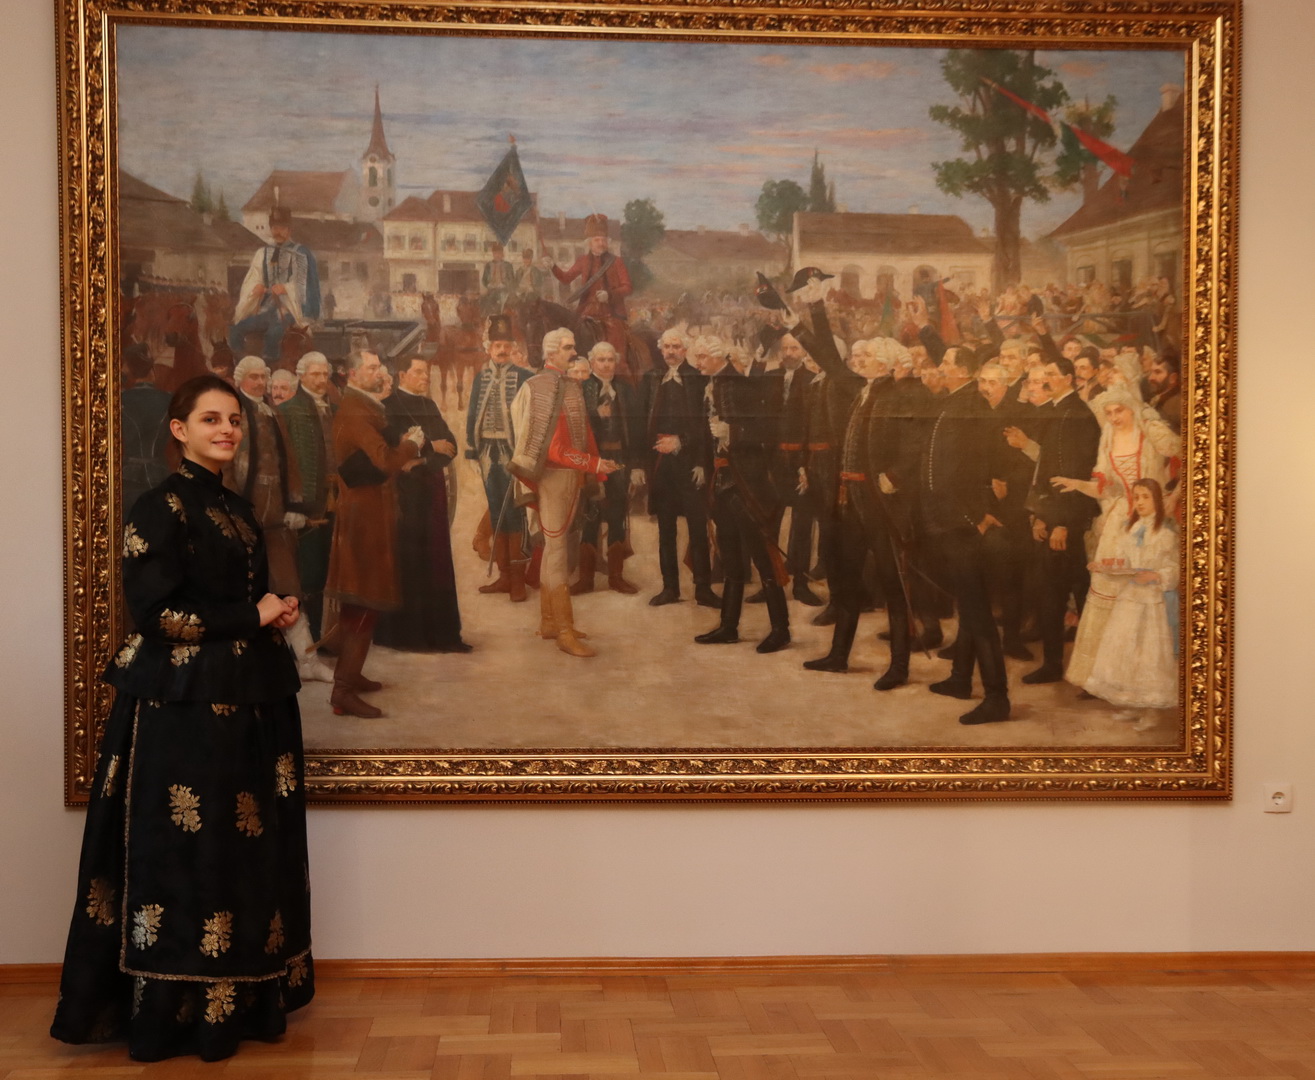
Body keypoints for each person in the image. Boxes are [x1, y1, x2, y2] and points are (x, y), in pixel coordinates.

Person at [51, 375, 312, 1062]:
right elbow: (155, 614)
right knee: (184, 855)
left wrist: (271, 612)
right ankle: (168, 1016)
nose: (226, 430)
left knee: (237, 853)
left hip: (242, 703)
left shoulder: (234, 507)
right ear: (179, 429)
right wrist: (250, 614)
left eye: (234, 420)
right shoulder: (158, 506)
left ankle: (237, 1007)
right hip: (181, 711)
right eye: (210, 419)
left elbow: (235, 599)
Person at [1052, 389, 1181, 693]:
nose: (1113, 417)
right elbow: (1106, 488)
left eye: (1119, 411)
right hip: (1120, 519)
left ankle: (1139, 679)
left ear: (1132, 408)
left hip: (1152, 517)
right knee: (1108, 590)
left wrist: (1174, 496)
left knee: (1143, 596)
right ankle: (1100, 677)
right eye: (1108, 413)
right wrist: (1077, 484)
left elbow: (1193, 455)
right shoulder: (1108, 437)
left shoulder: (1150, 431)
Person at [324, 349, 425, 717]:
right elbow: (384, 460)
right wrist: (412, 444)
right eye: (371, 368)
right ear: (352, 374)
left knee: (362, 600)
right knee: (364, 600)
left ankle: (351, 674)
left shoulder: (362, 406)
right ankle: (343, 690)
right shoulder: (355, 410)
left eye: (380, 366)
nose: (380, 372)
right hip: (363, 520)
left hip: (368, 514)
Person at [508, 328, 621, 657]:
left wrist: (595, 467)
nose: (574, 353)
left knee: (552, 549)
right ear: (551, 352)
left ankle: (548, 621)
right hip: (555, 478)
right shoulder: (544, 386)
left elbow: (582, 434)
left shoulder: (565, 384)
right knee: (557, 552)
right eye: (568, 348)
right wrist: (593, 463)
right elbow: (554, 449)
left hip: (568, 476)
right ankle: (565, 631)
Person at [226, 357, 328, 685]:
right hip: (244, 516)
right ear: (241, 379)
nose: (260, 383)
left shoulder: (272, 413)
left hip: (276, 517)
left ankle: (308, 661)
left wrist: (295, 504)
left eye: (263, 377)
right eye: (253, 377)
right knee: (243, 591)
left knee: (288, 588)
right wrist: (232, 511)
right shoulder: (233, 414)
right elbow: (226, 468)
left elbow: (290, 463)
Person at [374, 357, 470, 653]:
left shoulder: (429, 405)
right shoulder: (387, 406)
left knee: (436, 560)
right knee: (409, 560)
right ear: (402, 375)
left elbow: (451, 445)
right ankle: (408, 636)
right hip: (403, 495)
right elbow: (392, 450)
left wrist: (421, 460)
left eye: (426, 372)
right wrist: (430, 447)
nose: (425, 377)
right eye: (418, 372)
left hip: (431, 491)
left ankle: (442, 635)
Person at [1074, 478, 1179, 728]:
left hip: (1151, 602)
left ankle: (1151, 712)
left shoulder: (1165, 534)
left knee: (1147, 655)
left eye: (1146, 497)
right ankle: (1133, 704)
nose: (1140, 502)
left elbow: (1175, 568)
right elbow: (1123, 564)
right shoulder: (1130, 531)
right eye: (1137, 497)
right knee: (1127, 652)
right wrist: (1103, 567)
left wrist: (1155, 576)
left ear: (1157, 501)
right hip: (1129, 599)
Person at [641, 328, 717, 608]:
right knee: (666, 530)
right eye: (667, 347)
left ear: (685, 350)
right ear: (661, 349)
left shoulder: (698, 379)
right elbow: (641, 421)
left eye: (677, 346)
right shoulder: (652, 378)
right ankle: (670, 588)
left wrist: (697, 459)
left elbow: (706, 425)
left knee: (697, 527)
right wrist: (642, 462)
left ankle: (703, 589)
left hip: (690, 463)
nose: (671, 352)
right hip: (661, 465)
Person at [466, 315, 531, 601]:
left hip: (513, 454)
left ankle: (518, 580)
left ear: (513, 347)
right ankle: (504, 577)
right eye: (497, 345)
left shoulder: (525, 377)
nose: (502, 350)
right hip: (487, 454)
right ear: (489, 349)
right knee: (496, 511)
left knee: (516, 513)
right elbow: (472, 414)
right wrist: (472, 449)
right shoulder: (481, 378)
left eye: (506, 345)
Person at [574, 341, 644, 595]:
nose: (606, 365)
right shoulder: (583, 387)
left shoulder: (625, 389)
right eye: (601, 360)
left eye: (610, 360)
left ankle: (616, 577)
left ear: (616, 362)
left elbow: (636, 431)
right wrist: (596, 414)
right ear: (592, 362)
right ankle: (586, 579)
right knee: (590, 514)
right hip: (592, 459)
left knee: (617, 514)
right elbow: (575, 426)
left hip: (620, 459)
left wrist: (636, 466)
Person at [278, 352, 336, 641]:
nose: (321, 379)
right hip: (305, 506)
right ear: (301, 376)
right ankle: (304, 641)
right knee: (306, 573)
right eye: (315, 374)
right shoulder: (288, 410)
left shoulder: (335, 409)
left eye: (325, 374)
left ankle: (322, 638)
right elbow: (283, 463)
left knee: (327, 572)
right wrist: (292, 503)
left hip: (334, 502)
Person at [229, 206, 320, 364]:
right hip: (267, 309)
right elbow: (254, 278)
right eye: (275, 227)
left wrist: (287, 288)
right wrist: (256, 287)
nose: (278, 232)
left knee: (273, 334)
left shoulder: (301, 254)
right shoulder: (263, 253)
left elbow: (306, 286)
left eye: (282, 228)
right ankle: (239, 364)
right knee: (236, 329)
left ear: (289, 230)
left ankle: (271, 367)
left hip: (291, 311)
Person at [547, 213, 633, 359]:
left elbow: (627, 287)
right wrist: (553, 266)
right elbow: (566, 279)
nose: (601, 243)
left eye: (603, 240)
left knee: (616, 353)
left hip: (610, 314)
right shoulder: (583, 260)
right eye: (597, 240)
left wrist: (609, 295)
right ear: (589, 243)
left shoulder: (617, 262)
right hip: (585, 312)